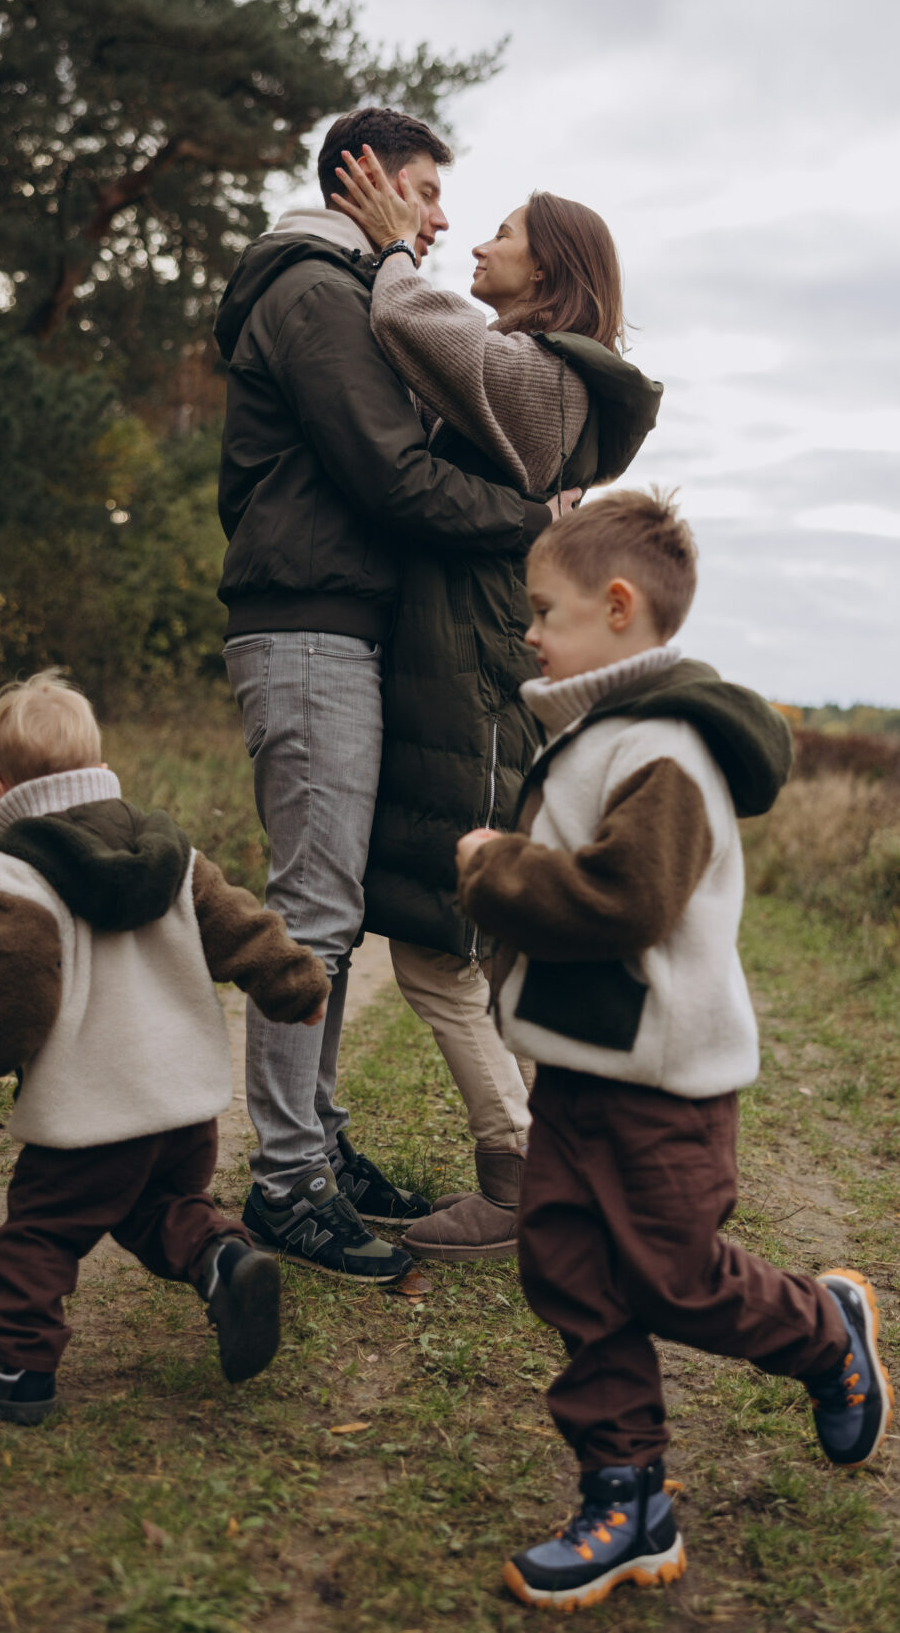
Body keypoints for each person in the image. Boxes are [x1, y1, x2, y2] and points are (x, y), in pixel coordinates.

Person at [454, 493, 893, 1610]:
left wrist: (495, 865)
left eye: (543, 611)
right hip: (580, 1074)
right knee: (568, 1271)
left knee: (677, 1279)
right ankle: (627, 1497)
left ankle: (825, 1330)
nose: (532, 635)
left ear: (617, 607)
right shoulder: (597, 732)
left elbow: (624, 899)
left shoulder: (670, 744)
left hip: (663, 1086)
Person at [215, 108, 573, 1283]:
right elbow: (395, 478)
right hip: (308, 622)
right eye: (424, 188)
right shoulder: (315, 291)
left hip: (339, 623)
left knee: (335, 910)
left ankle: (313, 1146)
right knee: (313, 916)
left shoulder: (342, 288)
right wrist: (533, 524)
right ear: (358, 176)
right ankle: (285, 1189)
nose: (441, 214)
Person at [331, 151, 662, 1262]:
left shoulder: (549, 375)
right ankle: (573, 1164)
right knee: (475, 943)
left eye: (504, 235)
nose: (472, 243)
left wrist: (386, 250)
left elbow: (427, 332)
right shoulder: (537, 371)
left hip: (470, 675)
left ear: (552, 272)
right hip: (462, 664)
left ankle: (519, 1180)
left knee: (440, 943)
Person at [0, 670, 329, 1425]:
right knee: (161, 1204)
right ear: (99, 761)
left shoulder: (25, 870)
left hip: (93, 1109)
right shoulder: (168, 850)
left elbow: (15, 978)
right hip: (181, 1103)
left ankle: (19, 1367)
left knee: (39, 1231)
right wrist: (297, 986)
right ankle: (224, 1259)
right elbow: (239, 923)